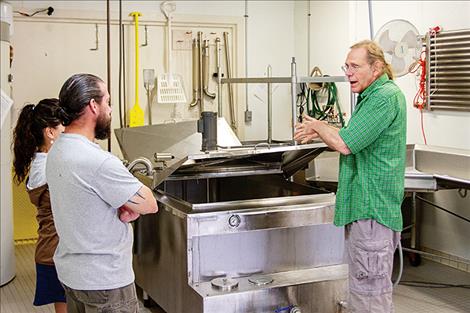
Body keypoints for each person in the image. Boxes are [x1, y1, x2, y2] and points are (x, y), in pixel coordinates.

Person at [294, 40, 406, 313]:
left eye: (355, 66)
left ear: (377, 67)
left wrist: (319, 125)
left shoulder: (383, 97)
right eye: (346, 66)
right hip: (365, 211)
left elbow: (346, 144)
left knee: (370, 297)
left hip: (372, 212)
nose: (348, 72)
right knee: (362, 291)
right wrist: (322, 132)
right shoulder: (371, 97)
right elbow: (350, 136)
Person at [46, 73, 158, 313]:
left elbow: (84, 201)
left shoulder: (57, 151)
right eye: (108, 101)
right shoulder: (97, 161)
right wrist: (128, 206)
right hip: (106, 283)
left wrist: (119, 203)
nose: (110, 109)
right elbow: (149, 204)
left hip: (73, 277)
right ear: (93, 106)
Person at [12, 98, 67, 313]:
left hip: (50, 250)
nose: (69, 129)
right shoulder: (49, 166)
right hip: (56, 251)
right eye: (64, 124)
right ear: (50, 132)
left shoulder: (42, 161)